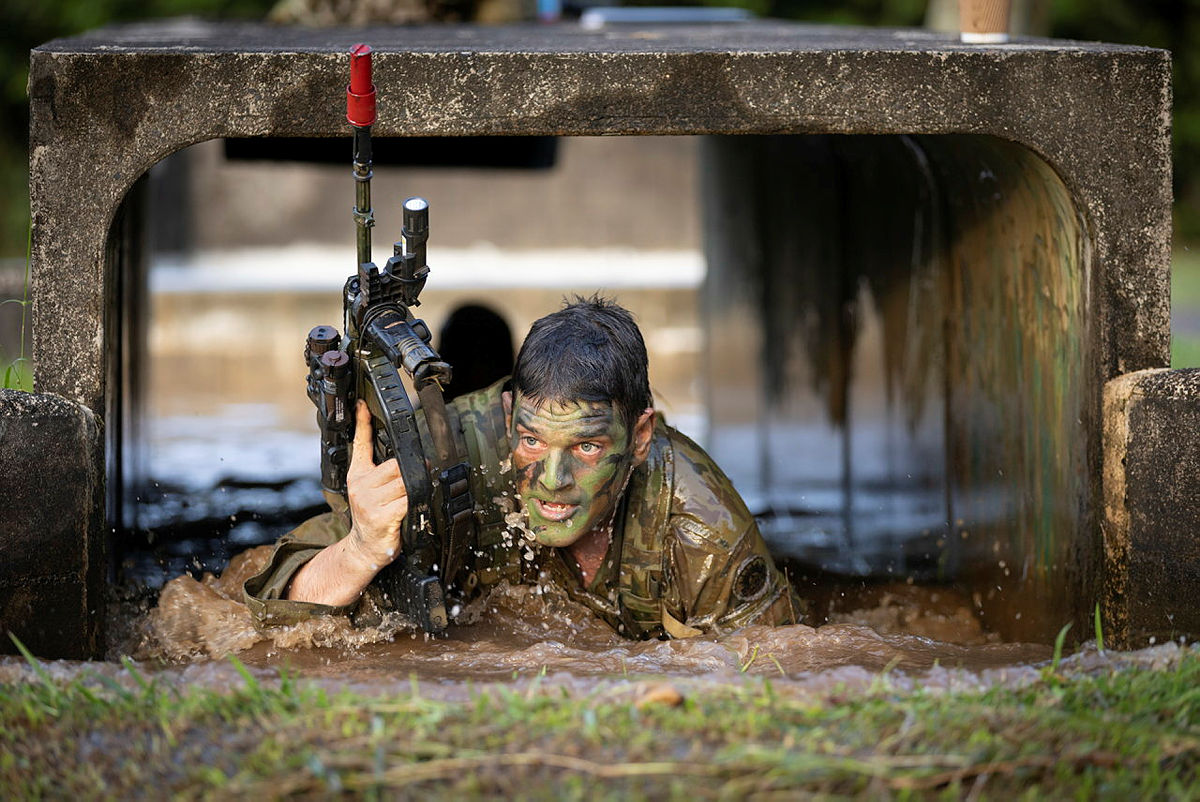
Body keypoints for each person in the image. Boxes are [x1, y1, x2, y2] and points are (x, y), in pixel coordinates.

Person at [245, 297, 803, 639]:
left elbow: (782, 669)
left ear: (639, 437)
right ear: (509, 415)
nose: (554, 481)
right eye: (533, 441)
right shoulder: (453, 458)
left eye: (585, 448)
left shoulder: (701, 529)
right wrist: (362, 549)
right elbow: (265, 605)